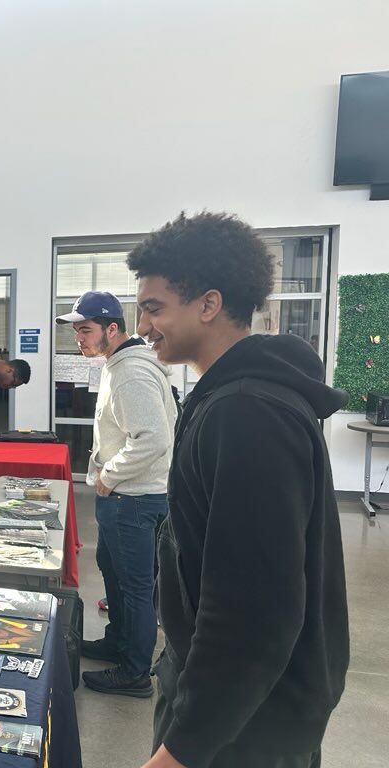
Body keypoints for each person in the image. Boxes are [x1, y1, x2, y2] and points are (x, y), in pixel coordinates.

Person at [128, 212, 348, 768]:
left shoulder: (247, 413)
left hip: (246, 728)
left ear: (208, 304)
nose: (143, 324)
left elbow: (254, 611)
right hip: (234, 705)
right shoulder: (232, 399)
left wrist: (181, 750)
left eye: (154, 307)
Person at [56, 291, 176, 698]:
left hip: (133, 499)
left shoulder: (130, 372)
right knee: (116, 575)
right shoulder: (117, 364)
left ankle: (134, 672)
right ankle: (118, 643)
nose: (79, 339)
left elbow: (153, 438)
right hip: (127, 497)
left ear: (112, 328)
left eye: (86, 330)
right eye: (75, 331)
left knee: (135, 587)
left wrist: (109, 476)